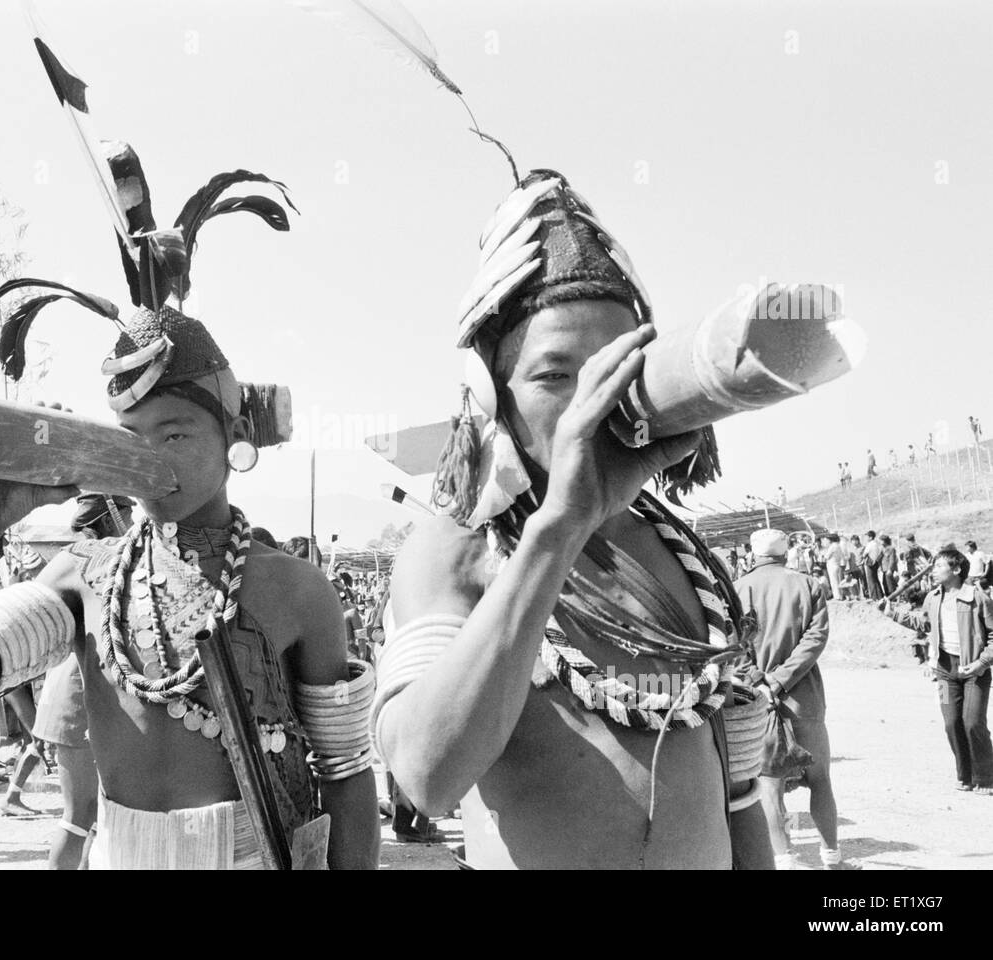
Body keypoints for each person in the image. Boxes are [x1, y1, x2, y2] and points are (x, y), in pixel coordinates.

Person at [0, 147, 378, 869]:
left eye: (177, 433)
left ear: (235, 437)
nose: (152, 459)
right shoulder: (85, 577)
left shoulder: (296, 589)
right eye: (130, 438)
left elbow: (346, 778)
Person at [375, 170, 770, 869]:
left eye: (614, 369)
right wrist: (557, 529)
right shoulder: (455, 553)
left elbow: (737, 796)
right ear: (493, 398)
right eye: (555, 376)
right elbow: (424, 776)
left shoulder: (679, 553)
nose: (593, 400)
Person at [736, 530, 855, 869]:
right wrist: (782, 679)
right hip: (805, 698)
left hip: (758, 700)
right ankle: (831, 857)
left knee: (770, 788)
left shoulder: (738, 589)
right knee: (820, 781)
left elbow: (733, 646)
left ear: (752, 553)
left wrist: (761, 680)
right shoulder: (809, 585)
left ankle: (785, 860)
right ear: (786, 552)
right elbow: (815, 639)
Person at [33, 492, 134, 868]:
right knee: (80, 816)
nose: (131, 518)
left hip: (70, 700)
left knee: (89, 816)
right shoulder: (90, 561)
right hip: (76, 702)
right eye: (125, 512)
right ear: (109, 517)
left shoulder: (77, 558)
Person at [886, 546, 993, 794]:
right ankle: (965, 775)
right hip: (945, 672)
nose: (933, 571)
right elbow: (923, 623)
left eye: (938, 566)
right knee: (951, 723)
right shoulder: (933, 598)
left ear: (956, 570)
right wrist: (891, 612)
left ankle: (986, 776)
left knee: (973, 723)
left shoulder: (977, 598)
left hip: (974, 672)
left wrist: (981, 663)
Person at [862, 530, 883, 601]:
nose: (866, 538)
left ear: (870, 537)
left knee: (871, 580)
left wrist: (864, 556)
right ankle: (880, 595)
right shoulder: (876, 544)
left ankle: (874, 597)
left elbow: (864, 554)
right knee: (875, 579)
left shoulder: (870, 544)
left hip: (870, 563)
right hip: (875, 563)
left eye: (867, 536)